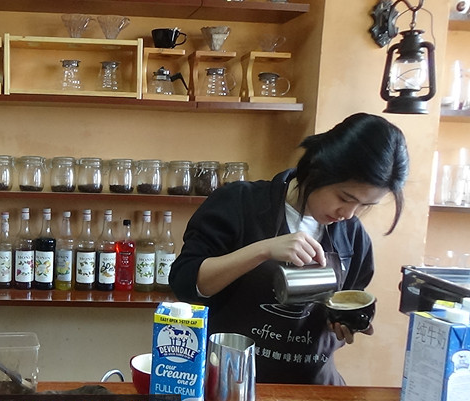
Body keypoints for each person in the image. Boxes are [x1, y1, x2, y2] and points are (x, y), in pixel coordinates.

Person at [169, 113, 409, 385]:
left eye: (365, 205)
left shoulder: (352, 235)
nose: (348, 213)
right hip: (231, 381)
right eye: (345, 197)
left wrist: (345, 322)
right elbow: (186, 283)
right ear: (318, 169)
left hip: (312, 390)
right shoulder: (239, 203)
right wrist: (262, 250)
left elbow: (347, 299)